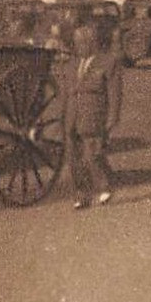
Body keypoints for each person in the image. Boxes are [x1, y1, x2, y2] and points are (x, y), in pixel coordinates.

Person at [60, 22, 123, 209]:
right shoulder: (71, 65)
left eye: (82, 43)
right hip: (73, 116)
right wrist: (61, 117)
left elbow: (114, 93)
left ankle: (105, 186)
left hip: (94, 115)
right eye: (76, 43)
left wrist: (113, 117)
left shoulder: (108, 63)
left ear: (92, 43)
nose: (78, 47)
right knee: (73, 159)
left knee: (92, 155)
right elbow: (65, 94)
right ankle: (81, 195)